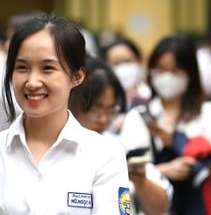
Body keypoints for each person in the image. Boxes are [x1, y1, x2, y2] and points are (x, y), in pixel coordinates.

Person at [0, 12, 131, 214]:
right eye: (22, 67)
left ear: (77, 76)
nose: (33, 82)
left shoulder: (105, 155)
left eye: (48, 68)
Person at [119, 35, 211, 214]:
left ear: (190, 73)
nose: (167, 77)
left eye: (176, 71)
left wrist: (183, 146)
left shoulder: (207, 112)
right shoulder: (139, 116)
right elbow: (124, 172)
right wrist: (163, 170)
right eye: (161, 70)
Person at [69, 55, 172, 215]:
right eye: (95, 108)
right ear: (71, 100)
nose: (103, 119)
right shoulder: (57, 149)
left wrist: (141, 181)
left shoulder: (117, 148)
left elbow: (161, 207)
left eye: (111, 110)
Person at [103, 36, 151, 110]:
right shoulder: (102, 99)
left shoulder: (150, 95)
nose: (123, 68)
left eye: (127, 61)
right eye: (116, 63)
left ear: (139, 61)